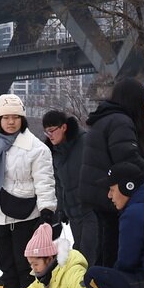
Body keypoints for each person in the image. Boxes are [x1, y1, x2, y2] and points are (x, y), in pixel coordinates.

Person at [0, 94, 56, 288]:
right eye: (5, 117)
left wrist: (47, 211)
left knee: (25, 266)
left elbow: (45, 182)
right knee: (6, 265)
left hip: (26, 214)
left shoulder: (36, 148)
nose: (10, 122)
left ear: (22, 119)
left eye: (15, 117)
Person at [78, 78, 144, 269]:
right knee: (114, 247)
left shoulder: (103, 119)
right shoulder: (121, 121)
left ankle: (99, 286)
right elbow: (127, 158)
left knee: (105, 246)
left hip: (96, 190)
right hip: (111, 193)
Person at [43, 110, 93, 257]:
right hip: (73, 213)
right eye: (46, 132)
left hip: (91, 210)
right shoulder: (55, 152)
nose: (50, 136)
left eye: (52, 130)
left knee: (90, 253)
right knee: (80, 254)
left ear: (63, 127)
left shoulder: (85, 142)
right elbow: (59, 183)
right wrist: (61, 208)